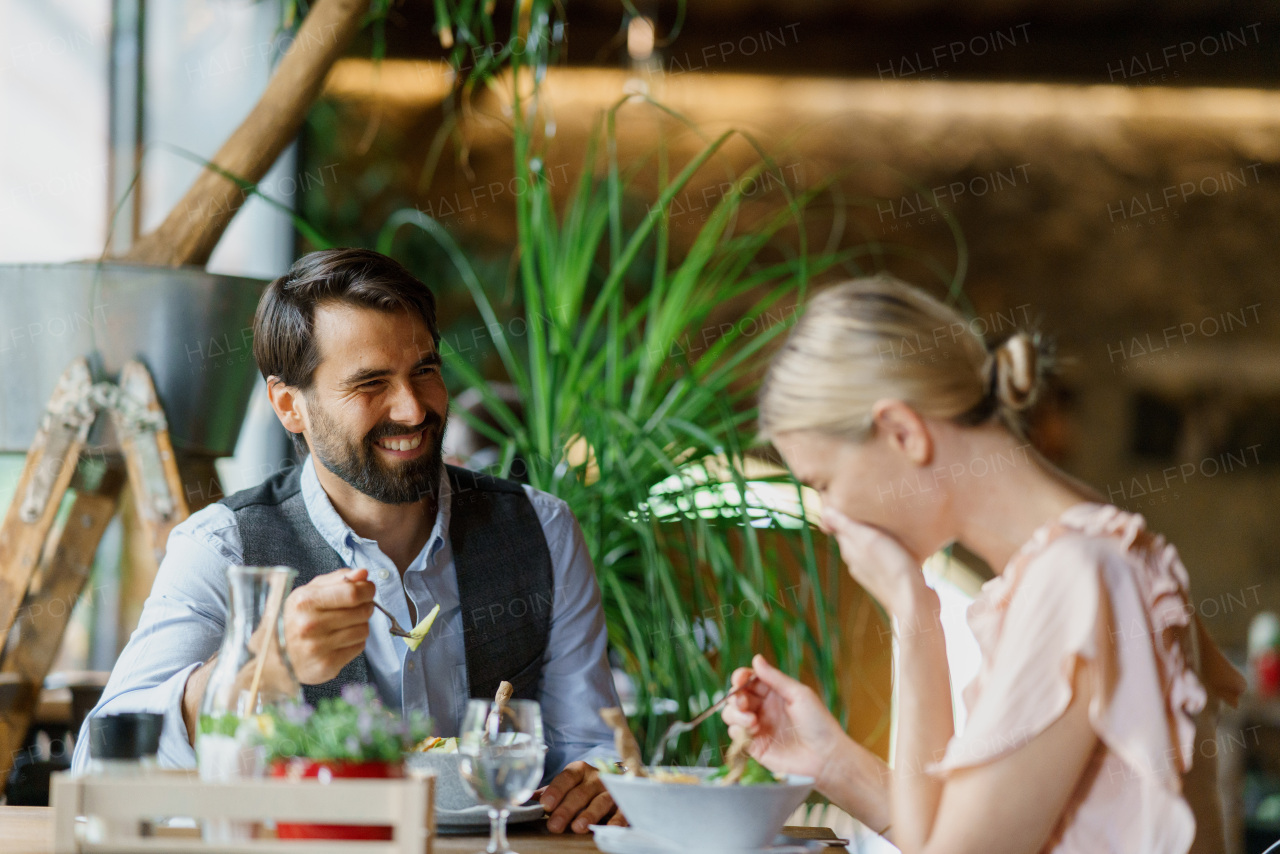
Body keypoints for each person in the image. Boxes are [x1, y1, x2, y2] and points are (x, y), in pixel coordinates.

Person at [72, 248, 626, 834]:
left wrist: (599, 779)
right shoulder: (220, 547)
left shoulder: (543, 530)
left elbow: (590, 745)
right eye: (370, 384)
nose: (412, 409)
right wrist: (263, 664)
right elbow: (100, 771)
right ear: (289, 405)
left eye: (425, 371)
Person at [722, 276, 1245, 854]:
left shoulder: (1078, 579)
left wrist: (912, 612)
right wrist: (832, 762)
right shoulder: (1094, 554)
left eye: (824, 483)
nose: (828, 516)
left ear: (902, 431)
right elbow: (958, 837)